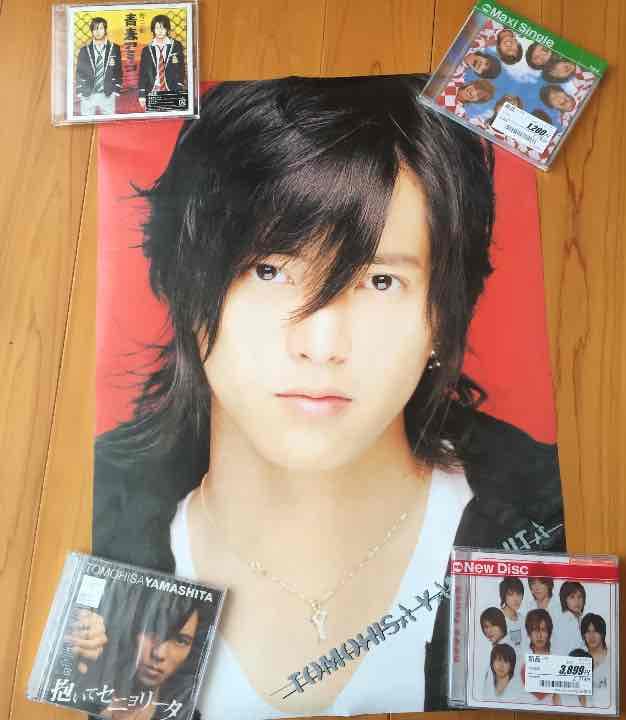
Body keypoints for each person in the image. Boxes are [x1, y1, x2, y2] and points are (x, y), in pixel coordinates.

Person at [94, 76, 562, 717]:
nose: (322, 344)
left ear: (443, 316)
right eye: (269, 270)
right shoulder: (98, 521)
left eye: (380, 280)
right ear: (186, 286)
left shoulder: (547, 521)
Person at [64, 587, 213, 719]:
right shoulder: (79, 684)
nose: (159, 654)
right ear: (133, 627)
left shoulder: (184, 714)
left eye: (180, 641)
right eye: (152, 630)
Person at [75, 17, 123, 116]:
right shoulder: (84, 50)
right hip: (88, 94)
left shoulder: (115, 48)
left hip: (107, 93)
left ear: (105, 30)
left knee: (109, 121)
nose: (98, 32)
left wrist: (115, 90)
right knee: (86, 121)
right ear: (92, 31)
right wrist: (81, 91)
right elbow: (79, 71)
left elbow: (118, 70)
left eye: (101, 28)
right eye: (95, 29)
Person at [138, 14, 186, 110]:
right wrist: (142, 95)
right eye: (157, 28)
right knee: (154, 116)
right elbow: (143, 73)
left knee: (172, 115)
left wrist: (179, 85)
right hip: (153, 89)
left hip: (172, 88)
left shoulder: (176, 45)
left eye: (163, 27)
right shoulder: (146, 50)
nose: (160, 31)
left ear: (167, 29)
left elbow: (181, 67)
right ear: (153, 29)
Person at [520, 608, 558, 705]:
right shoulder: (522, 661)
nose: (539, 635)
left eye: (543, 630)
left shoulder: (557, 658)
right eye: (535, 630)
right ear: (529, 633)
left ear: (549, 633)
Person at [582, 613, 611, 708]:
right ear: (583, 635)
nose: (591, 636)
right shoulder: (580, 659)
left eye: (595, 631)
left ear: (602, 634)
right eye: (588, 631)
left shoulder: (613, 656)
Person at [554, 580, 586, 655]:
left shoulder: (581, 619)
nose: (577, 601)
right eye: (572, 597)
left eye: (580, 597)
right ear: (565, 600)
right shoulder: (564, 621)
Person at [498, 577, 524, 650]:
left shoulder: (523, 619)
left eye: (518, 594)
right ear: (504, 596)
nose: (516, 599)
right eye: (510, 594)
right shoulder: (498, 619)